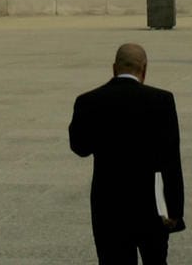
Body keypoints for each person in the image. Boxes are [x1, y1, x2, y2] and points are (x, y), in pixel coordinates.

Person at [68, 43, 184, 264]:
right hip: (151, 204)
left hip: (108, 204)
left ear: (114, 68)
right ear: (144, 69)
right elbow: (171, 159)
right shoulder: (162, 100)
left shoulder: (88, 101)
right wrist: (175, 208)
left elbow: (79, 147)